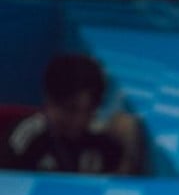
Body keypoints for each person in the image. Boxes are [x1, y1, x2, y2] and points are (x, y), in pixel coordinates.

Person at [2, 52, 144, 175]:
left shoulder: (102, 140)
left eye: (88, 111)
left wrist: (129, 150)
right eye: (70, 109)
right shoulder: (26, 140)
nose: (79, 120)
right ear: (49, 101)